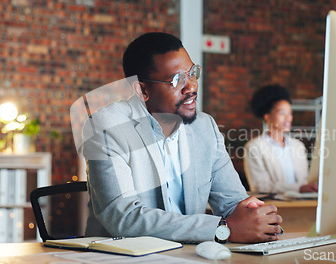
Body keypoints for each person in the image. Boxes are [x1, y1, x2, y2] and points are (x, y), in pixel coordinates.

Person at [82, 32, 282, 243]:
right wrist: (222, 229)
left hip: (188, 255)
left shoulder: (205, 127)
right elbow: (123, 218)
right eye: (177, 79)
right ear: (142, 90)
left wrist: (256, 218)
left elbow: (232, 203)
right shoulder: (107, 127)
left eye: (192, 73)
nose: (192, 87)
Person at [244, 85, 318, 194]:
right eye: (282, 113)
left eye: (290, 113)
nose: (288, 118)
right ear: (267, 117)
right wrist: (299, 188)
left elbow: (304, 180)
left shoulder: (298, 145)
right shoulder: (254, 147)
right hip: (275, 206)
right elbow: (260, 186)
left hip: (302, 204)